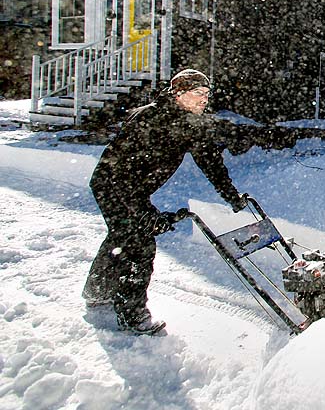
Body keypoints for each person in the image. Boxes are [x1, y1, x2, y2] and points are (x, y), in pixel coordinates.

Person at [82, 68, 249, 335]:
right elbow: (120, 170)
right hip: (112, 185)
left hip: (134, 189)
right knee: (138, 243)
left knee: (121, 236)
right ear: (179, 94)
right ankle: (132, 315)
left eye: (206, 94)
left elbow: (211, 162)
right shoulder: (149, 118)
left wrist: (231, 196)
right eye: (198, 94)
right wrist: (143, 211)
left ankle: (97, 289)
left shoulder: (194, 123)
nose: (204, 100)